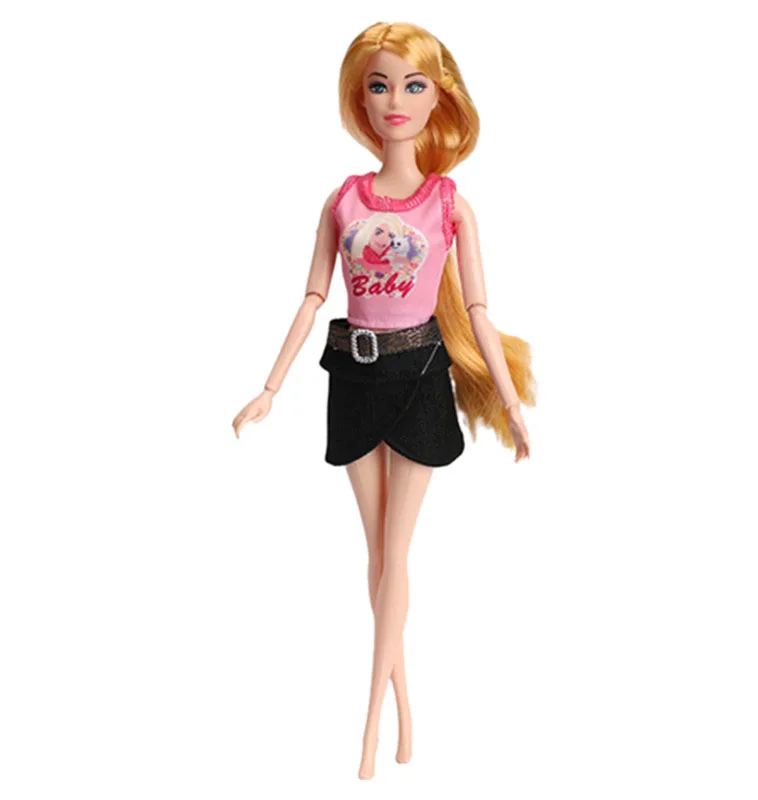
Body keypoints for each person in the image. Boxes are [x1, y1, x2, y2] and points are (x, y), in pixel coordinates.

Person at [232, 21, 537, 780]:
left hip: (421, 376)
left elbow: (480, 312)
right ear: (360, 100)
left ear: (439, 98)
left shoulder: (450, 204)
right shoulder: (343, 199)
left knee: (394, 553)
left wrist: (511, 403)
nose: (395, 100)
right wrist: (270, 387)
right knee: (375, 553)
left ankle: (372, 724)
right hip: (353, 375)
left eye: (412, 85)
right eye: (379, 85)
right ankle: (401, 705)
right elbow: (311, 297)